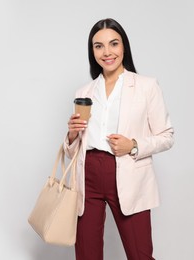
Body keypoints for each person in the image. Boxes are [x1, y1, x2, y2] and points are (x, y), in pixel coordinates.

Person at [64, 18, 174, 260]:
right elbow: (74, 151)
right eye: (98, 46)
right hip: (88, 175)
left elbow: (166, 136)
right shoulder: (84, 92)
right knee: (87, 255)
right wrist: (72, 135)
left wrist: (133, 145)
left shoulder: (146, 86)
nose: (107, 52)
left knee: (140, 255)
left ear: (124, 46)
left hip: (127, 171)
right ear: (92, 52)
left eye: (113, 44)